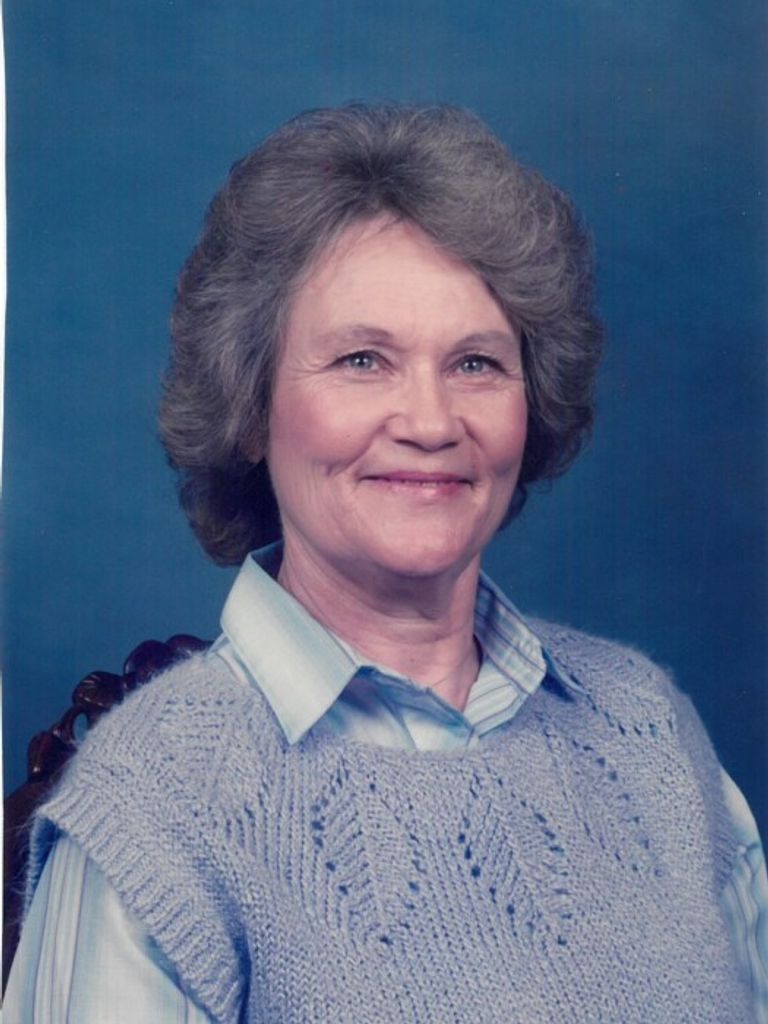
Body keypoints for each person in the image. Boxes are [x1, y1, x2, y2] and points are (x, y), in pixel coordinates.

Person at [5, 104, 766, 1023]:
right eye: (364, 360)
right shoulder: (151, 813)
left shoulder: (650, 733)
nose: (432, 422)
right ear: (250, 409)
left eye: (476, 364)